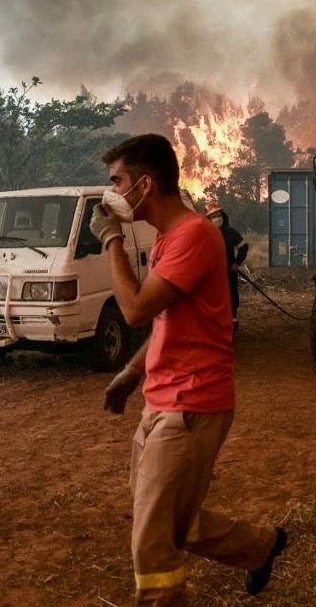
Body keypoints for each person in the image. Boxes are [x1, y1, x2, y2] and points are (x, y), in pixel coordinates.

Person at [89, 133, 287, 605]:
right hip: (161, 401)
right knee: (167, 516)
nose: (110, 194)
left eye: (116, 182)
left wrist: (112, 239)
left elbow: (135, 310)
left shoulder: (196, 235)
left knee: (151, 542)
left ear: (144, 184)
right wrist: (133, 373)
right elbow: (166, 321)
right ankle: (260, 546)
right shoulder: (168, 239)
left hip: (192, 405)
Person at [205, 200, 249, 332]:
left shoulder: (230, 232)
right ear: (208, 219)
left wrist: (237, 262)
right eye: (214, 217)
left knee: (231, 300)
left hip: (230, 273)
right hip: (212, 276)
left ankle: (232, 325)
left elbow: (244, 247)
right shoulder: (204, 233)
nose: (217, 218)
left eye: (219, 215)